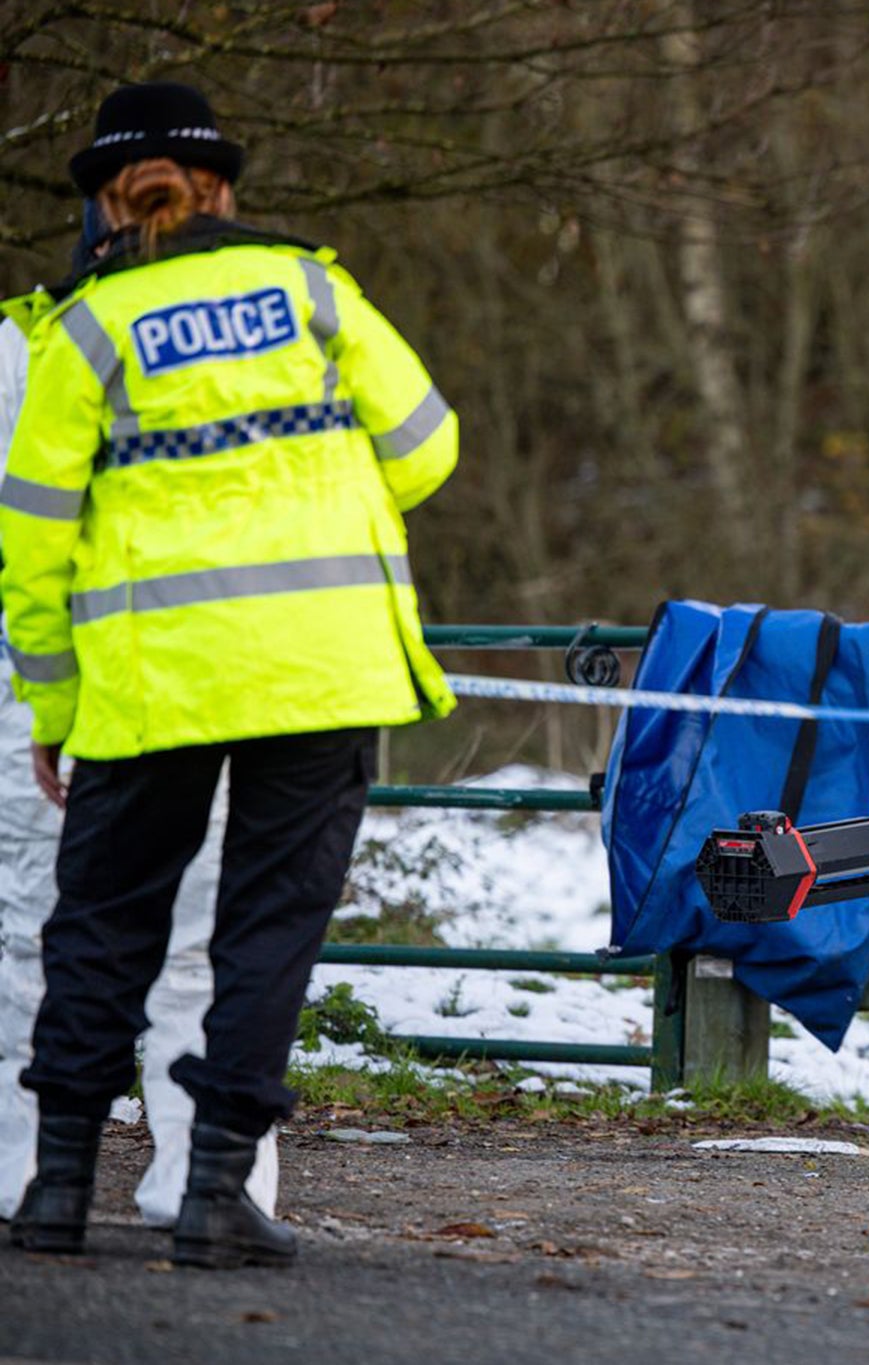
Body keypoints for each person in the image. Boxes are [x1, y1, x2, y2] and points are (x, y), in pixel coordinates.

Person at [3, 81, 457, 1268]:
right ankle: (213, 1194)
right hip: (322, 670)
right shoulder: (311, 288)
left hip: (151, 681)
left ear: (104, 199)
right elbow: (425, 446)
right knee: (265, 934)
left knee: (103, 925)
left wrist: (56, 705)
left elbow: (33, 539)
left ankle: (55, 1192)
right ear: (224, 186)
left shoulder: (84, 328)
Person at [0, 204, 277, 1235]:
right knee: (193, 942)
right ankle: (208, 1182)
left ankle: (39, 1175)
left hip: (67, 677)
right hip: (206, 674)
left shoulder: (34, 347)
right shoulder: (256, 333)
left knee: (42, 933)